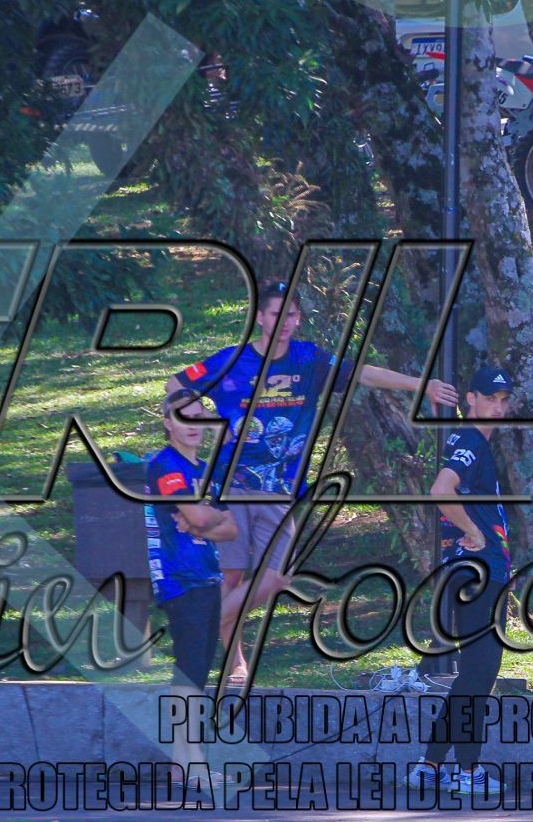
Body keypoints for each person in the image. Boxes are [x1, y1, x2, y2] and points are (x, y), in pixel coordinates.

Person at [167, 280, 458, 687]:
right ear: (260, 318)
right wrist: (205, 419)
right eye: (275, 314)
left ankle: (199, 625)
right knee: (231, 578)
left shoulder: (309, 359)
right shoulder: (232, 361)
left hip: (281, 490)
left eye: (290, 314)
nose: (283, 322)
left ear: (298, 319)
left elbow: (363, 374)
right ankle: (235, 663)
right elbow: (177, 384)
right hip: (231, 486)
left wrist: (421, 385)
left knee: (277, 576)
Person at [408, 364, 514, 797]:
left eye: (504, 401)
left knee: (475, 674)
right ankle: (468, 772)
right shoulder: (471, 440)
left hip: (478, 570)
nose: (498, 408)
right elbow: (441, 491)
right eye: (489, 398)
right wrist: (474, 532)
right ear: (470, 399)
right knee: (480, 673)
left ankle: (431, 766)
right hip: (476, 570)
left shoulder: (470, 441)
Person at [143, 392, 238, 691]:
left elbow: (231, 530)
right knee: (190, 669)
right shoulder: (165, 464)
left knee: (200, 672)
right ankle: (183, 725)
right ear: (168, 424)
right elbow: (198, 516)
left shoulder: (207, 470)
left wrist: (202, 525)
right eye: (183, 417)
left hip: (208, 575)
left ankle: (189, 724)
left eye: (198, 417)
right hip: (179, 577)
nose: (193, 424)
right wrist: (206, 519)